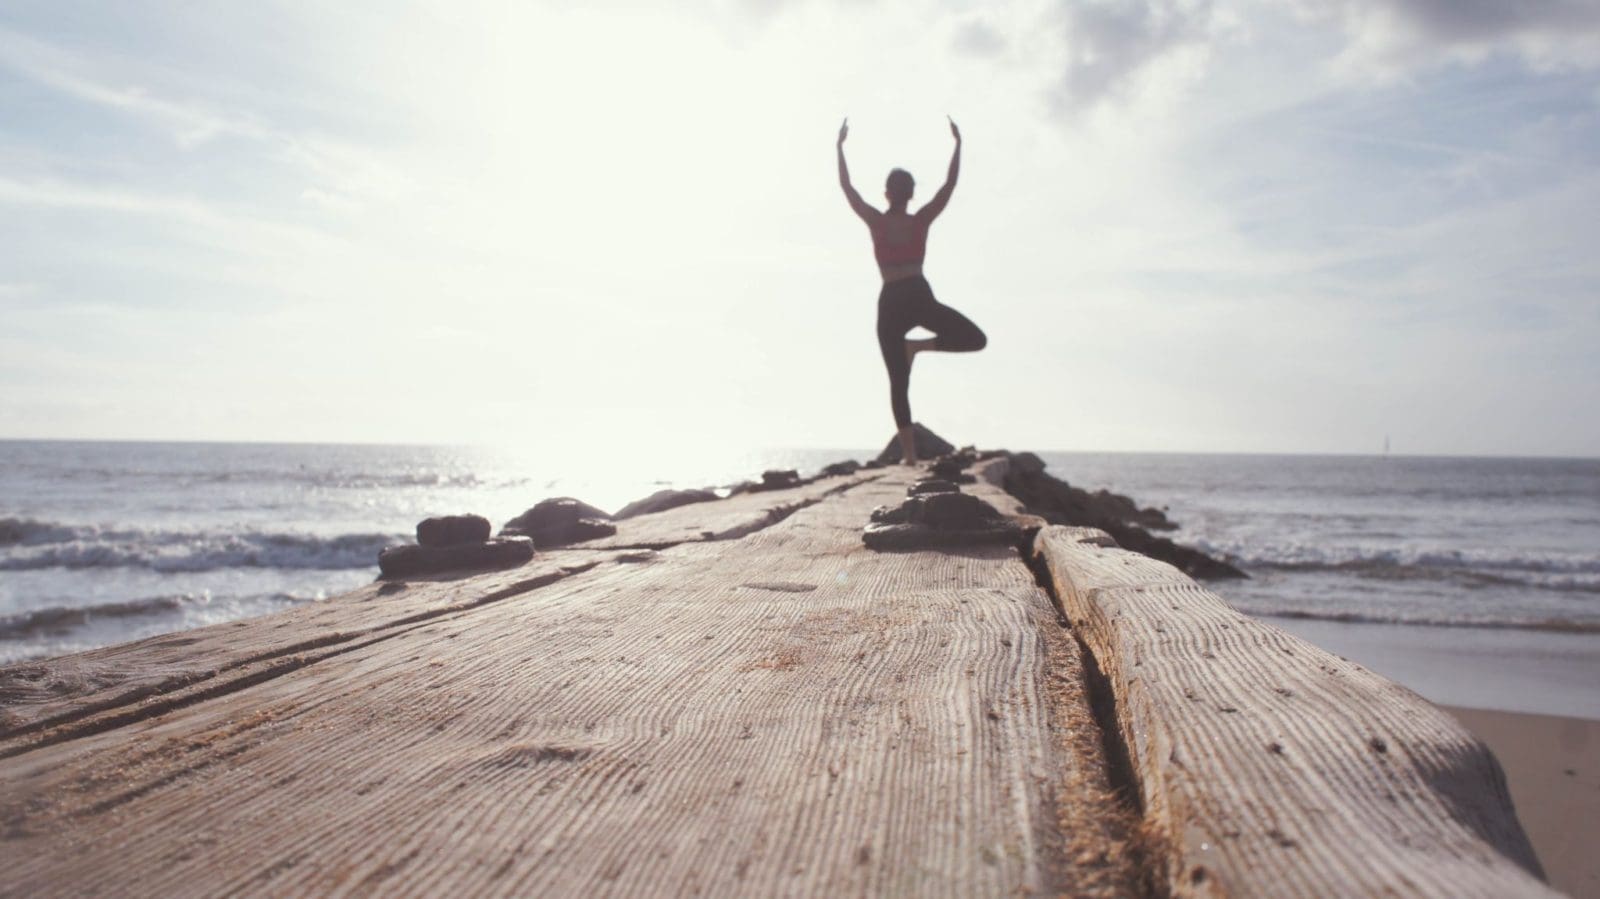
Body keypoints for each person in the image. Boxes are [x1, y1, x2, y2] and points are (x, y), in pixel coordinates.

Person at [837, 116, 986, 464]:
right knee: (974, 339)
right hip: (917, 295)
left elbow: (848, 189)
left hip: (892, 299)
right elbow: (948, 187)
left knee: (897, 380)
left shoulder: (878, 220)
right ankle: (918, 348)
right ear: (911, 193)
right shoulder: (919, 220)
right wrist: (958, 146)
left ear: (887, 193)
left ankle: (909, 455)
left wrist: (839, 149)